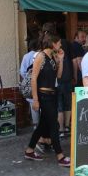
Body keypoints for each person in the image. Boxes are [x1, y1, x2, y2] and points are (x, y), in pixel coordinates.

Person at [24, 33, 70, 167]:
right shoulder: (40, 56)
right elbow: (33, 78)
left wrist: (60, 59)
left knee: (43, 125)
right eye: (59, 43)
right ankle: (60, 155)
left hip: (52, 95)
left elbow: (59, 76)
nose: (61, 45)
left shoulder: (52, 57)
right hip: (44, 96)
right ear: (53, 43)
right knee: (53, 125)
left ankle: (30, 150)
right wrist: (36, 100)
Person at [20, 39, 40, 128]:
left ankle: (36, 126)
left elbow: (22, 71)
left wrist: (28, 78)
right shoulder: (41, 55)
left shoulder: (26, 56)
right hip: (42, 85)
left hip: (30, 87)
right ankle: (44, 127)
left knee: (33, 106)